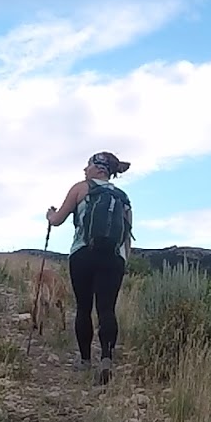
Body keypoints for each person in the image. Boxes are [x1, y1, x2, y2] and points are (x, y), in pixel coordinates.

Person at [46, 151, 132, 384]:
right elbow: (127, 237)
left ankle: (85, 361)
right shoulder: (122, 197)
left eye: (88, 165)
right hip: (114, 259)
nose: (85, 169)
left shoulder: (81, 188)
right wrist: (124, 262)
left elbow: (58, 220)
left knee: (84, 308)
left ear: (98, 168)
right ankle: (106, 358)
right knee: (107, 309)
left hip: (83, 254)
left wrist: (50, 214)